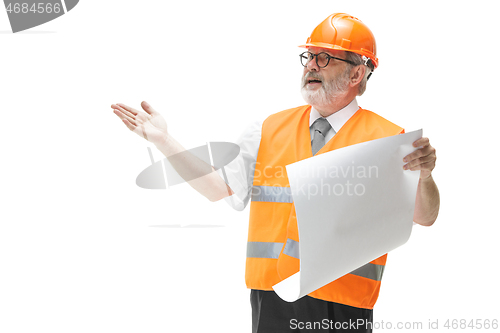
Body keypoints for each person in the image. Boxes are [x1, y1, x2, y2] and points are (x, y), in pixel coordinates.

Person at [113, 13, 439, 333]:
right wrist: (164, 140)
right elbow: (216, 188)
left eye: (325, 58)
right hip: (272, 301)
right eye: (309, 56)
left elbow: (424, 217)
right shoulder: (268, 129)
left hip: (345, 305)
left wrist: (424, 176)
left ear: (356, 75)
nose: (311, 64)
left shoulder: (390, 141)